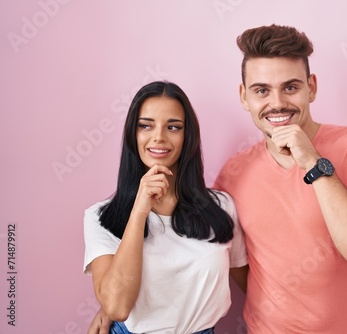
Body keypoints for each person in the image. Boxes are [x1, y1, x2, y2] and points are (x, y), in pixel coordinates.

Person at [211, 24, 347, 333]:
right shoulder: (232, 174)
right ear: (244, 96)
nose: (277, 103)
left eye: (290, 87)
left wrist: (313, 162)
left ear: (311, 87)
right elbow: (238, 265)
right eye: (261, 90)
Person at [82, 81, 248, 334]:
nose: (159, 136)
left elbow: (249, 283)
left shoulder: (222, 207)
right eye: (146, 125)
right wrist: (139, 210)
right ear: (132, 134)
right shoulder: (100, 217)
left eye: (173, 127)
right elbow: (116, 307)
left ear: (187, 136)